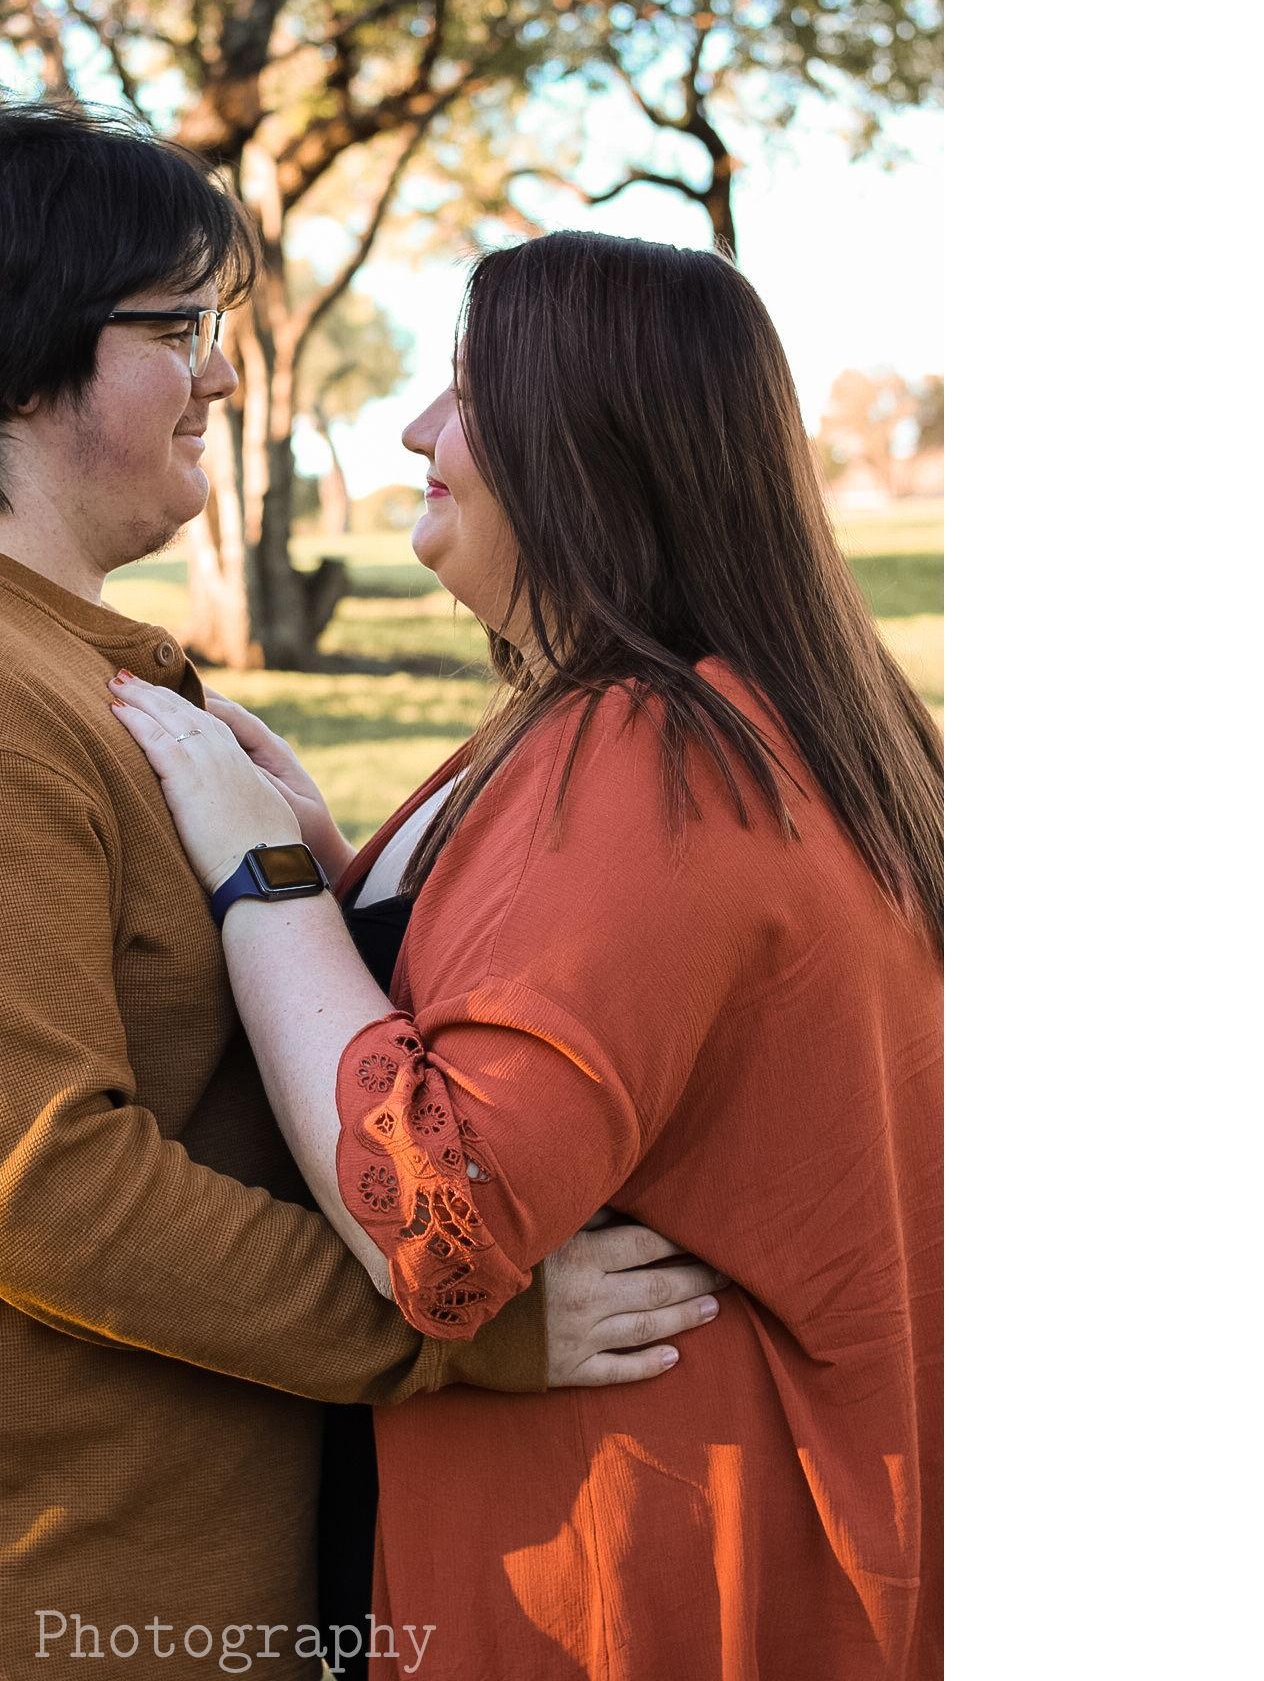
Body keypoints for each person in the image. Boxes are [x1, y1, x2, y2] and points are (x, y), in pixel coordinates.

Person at [0, 105, 726, 1681]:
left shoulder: (45, 653)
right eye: (179, 328)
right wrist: (460, 1328)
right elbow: (40, 1188)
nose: (227, 376)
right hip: (1, 1609)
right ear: (17, 363)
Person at [112, 230, 944, 1678]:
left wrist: (268, 881)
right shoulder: (695, 718)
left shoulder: (660, 761)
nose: (417, 431)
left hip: (626, 1567)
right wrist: (347, 866)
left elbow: (438, 1229)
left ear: (583, 446)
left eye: (464, 391)